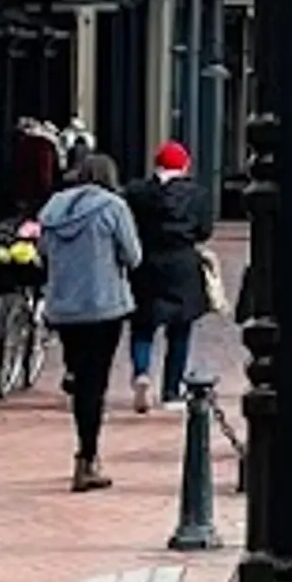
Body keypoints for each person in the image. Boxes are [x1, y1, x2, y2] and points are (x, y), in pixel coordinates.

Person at [36, 146, 142, 486]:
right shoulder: (114, 208)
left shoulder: (53, 208)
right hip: (103, 306)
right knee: (95, 384)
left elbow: (42, 251)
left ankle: (73, 375)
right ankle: (87, 456)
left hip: (64, 305)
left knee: (82, 375)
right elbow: (133, 255)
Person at [131, 140, 214, 409]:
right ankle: (171, 390)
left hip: (147, 262)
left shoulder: (137, 192)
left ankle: (142, 372)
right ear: (184, 165)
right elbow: (204, 231)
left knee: (143, 326)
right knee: (180, 329)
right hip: (183, 264)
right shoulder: (198, 195)